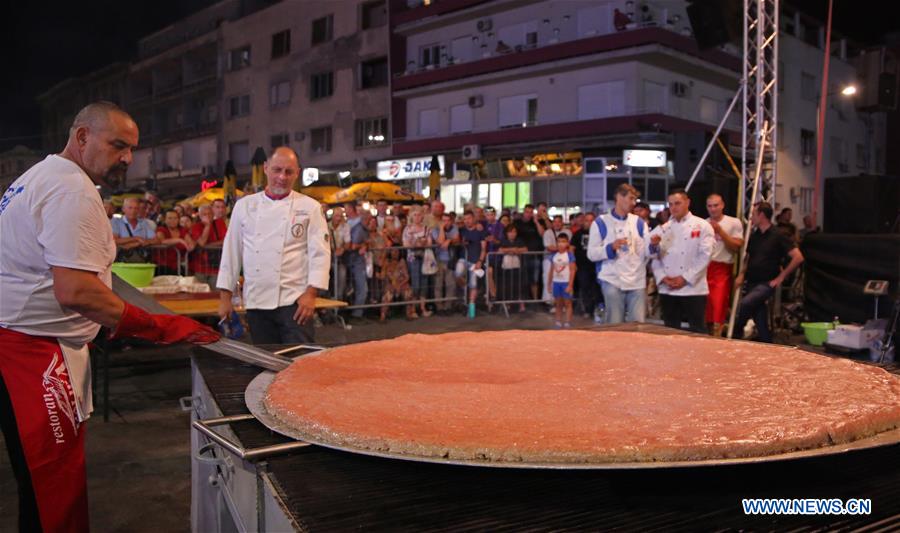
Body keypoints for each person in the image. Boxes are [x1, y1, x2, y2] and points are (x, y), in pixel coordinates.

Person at [0, 101, 218, 532]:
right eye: (118, 145)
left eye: (132, 149)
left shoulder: (36, 177)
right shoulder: (69, 189)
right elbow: (75, 290)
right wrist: (158, 326)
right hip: (34, 355)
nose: (127, 159)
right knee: (53, 496)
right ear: (82, 137)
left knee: (38, 490)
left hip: (24, 343)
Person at [217, 147, 331, 344]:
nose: (282, 177)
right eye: (277, 170)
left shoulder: (310, 207)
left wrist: (311, 294)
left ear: (297, 173)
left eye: (289, 172)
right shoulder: (244, 206)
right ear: (266, 168)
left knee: (299, 362)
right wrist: (225, 297)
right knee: (266, 361)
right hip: (256, 300)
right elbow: (231, 252)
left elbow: (320, 254)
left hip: (295, 301)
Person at [733, 201, 804, 343]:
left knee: (746, 304)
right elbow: (749, 257)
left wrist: (781, 277)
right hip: (752, 280)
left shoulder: (778, 235)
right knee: (759, 316)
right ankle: (767, 343)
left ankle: (736, 332)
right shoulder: (755, 235)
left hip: (767, 282)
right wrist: (741, 275)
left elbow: (798, 257)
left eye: (753, 214)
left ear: (762, 215)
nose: (751, 217)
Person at [648, 190, 715, 333]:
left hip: (693, 289)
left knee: (697, 330)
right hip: (668, 289)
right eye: (670, 204)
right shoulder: (662, 229)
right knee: (670, 332)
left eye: (677, 203)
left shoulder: (702, 225)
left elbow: (705, 256)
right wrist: (662, 277)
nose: (674, 207)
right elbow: (653, 257)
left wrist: (685, 278)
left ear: (688, 202)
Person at [588, 184, 650, 324]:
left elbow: (646, 251)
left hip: (637, 280)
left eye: (635, 199)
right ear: (618, 197)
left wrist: (654, 245)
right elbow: (591, 254)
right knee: (615, 325)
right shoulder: (600, 222)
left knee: (638, 325)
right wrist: (611, 247)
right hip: (612, 279)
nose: (634, 203)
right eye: (631, 198)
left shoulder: (639, 223)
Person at [705, 193, 744, 337]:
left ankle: (717, 337)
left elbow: (737, 246)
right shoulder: (703, 223)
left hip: (722, 268)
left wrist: (720, 231)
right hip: (705, 269)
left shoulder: (733, 222)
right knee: (706, 309)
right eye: (710, 206)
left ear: (722, 205)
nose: (713, 209)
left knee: (718, 306)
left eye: (715, 205)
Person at [402, 206, 433, 318]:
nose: (417, 217)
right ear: (411, 216)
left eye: (419, 214)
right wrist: (418, 242)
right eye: (415, 215)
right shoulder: (407, 229)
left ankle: (422, 308)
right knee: (415, 284)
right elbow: (406, 245)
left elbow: (429, 243)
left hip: (424, 258)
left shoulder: (426, 228)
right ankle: (413, 309)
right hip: (413, 259)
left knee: (424, 283)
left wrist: (419, 243)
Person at [513, 204, 546, 302]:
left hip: (535, 255)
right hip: (521, 255)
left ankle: (535, 300)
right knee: (522, 279)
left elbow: (542, 234)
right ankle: (522, 301)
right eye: (527, 212)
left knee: (534, 280)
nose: (528, 214)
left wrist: (536, 222)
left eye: (531, 212)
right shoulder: (517, 223)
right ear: (523, 212)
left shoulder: (536, 222)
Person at [459, 210, 488, 317]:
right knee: (457, 275)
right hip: (464, 260)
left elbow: (484, 248)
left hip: (476, 261)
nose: (467, 221)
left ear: (474, 219)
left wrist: (480, 261)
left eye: (469, 218)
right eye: (465, 219)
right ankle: (465, 288)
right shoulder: (461, 230)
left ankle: (471, 309)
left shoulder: (481, 230)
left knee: (474, 284)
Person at [111, 197, 157, 262]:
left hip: (141, 261)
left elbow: (156, 240)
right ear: (123, 209)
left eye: (136, 208)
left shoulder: (144, 223)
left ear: (138, 210)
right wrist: (136, 238)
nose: (133, 211)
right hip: (121, 262)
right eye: (130, 208)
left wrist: (136, 244)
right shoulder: (116, 221)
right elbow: (114, 240)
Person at [572, 212, 600, 318]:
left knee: (596, 289)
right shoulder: (577, 234)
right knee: (584, 288)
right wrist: (573, 263)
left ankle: (596, 309)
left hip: (596, 266)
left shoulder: (599, 234)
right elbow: (571, 248)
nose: (589, 223)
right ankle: (587, 310)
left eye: (591, 220)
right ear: (583, 221)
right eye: (587, 220)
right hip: (582, 266)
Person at [431, 212, 460, 313]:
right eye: (443, 221)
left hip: (450, 259)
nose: (446, 223)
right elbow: (440, 242)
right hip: (439, 260)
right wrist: (442, 229)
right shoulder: (435, 230)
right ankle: (439, 307)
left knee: (450, 284)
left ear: (451, 221)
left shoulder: (454, 228)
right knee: (438, 284)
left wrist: (449, 241)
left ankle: (448, 306)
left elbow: (457, 238)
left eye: (448, 221)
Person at [378, 248, 416, 321]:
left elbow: (407, 277)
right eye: (393, 251)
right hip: (391, 283)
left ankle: (409, 314)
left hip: (402, 283)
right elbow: (383, 276)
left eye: (397, 251)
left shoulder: (402, 262)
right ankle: (382, 315)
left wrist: (400, 284)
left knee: (408, 292)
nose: (395, 253)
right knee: (387, 294)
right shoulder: (386, 262)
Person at [548, 233, 577, 328]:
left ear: (567, 243)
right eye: (559, 242)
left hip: (565, 282)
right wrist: (549, 283)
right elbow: (552, 270)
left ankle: (568, 321)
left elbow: (572, 270)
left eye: (563, 242)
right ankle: (558, 321)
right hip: (556, 282)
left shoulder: (569, 255)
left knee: (567, 303)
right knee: (558, 303)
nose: (561, 244)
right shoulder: (554, 255)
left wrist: (570, 285)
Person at [498, 224, 528, 312]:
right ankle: (508, 304)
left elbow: (525, 249)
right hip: (506, 268)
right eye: (510, 232)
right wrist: (511, 250)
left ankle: (521, 305)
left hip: (517, 267)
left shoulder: (519, 240)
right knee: (507, 286)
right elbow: (500, 250)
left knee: (519, 286)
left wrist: (517, 250)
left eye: (514, 232)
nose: (512, 234)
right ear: (507, 233)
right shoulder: (504, 241)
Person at [156, 209, 195, 276]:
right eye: (170, 218)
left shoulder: (182, 230)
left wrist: (191, 246)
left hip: (178, 265)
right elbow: (161, 241)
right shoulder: (161, 229)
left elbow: (190, 243)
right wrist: (180, 240)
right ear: (165, 220)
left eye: (175, 218)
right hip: (162, 266)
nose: (173, 221)